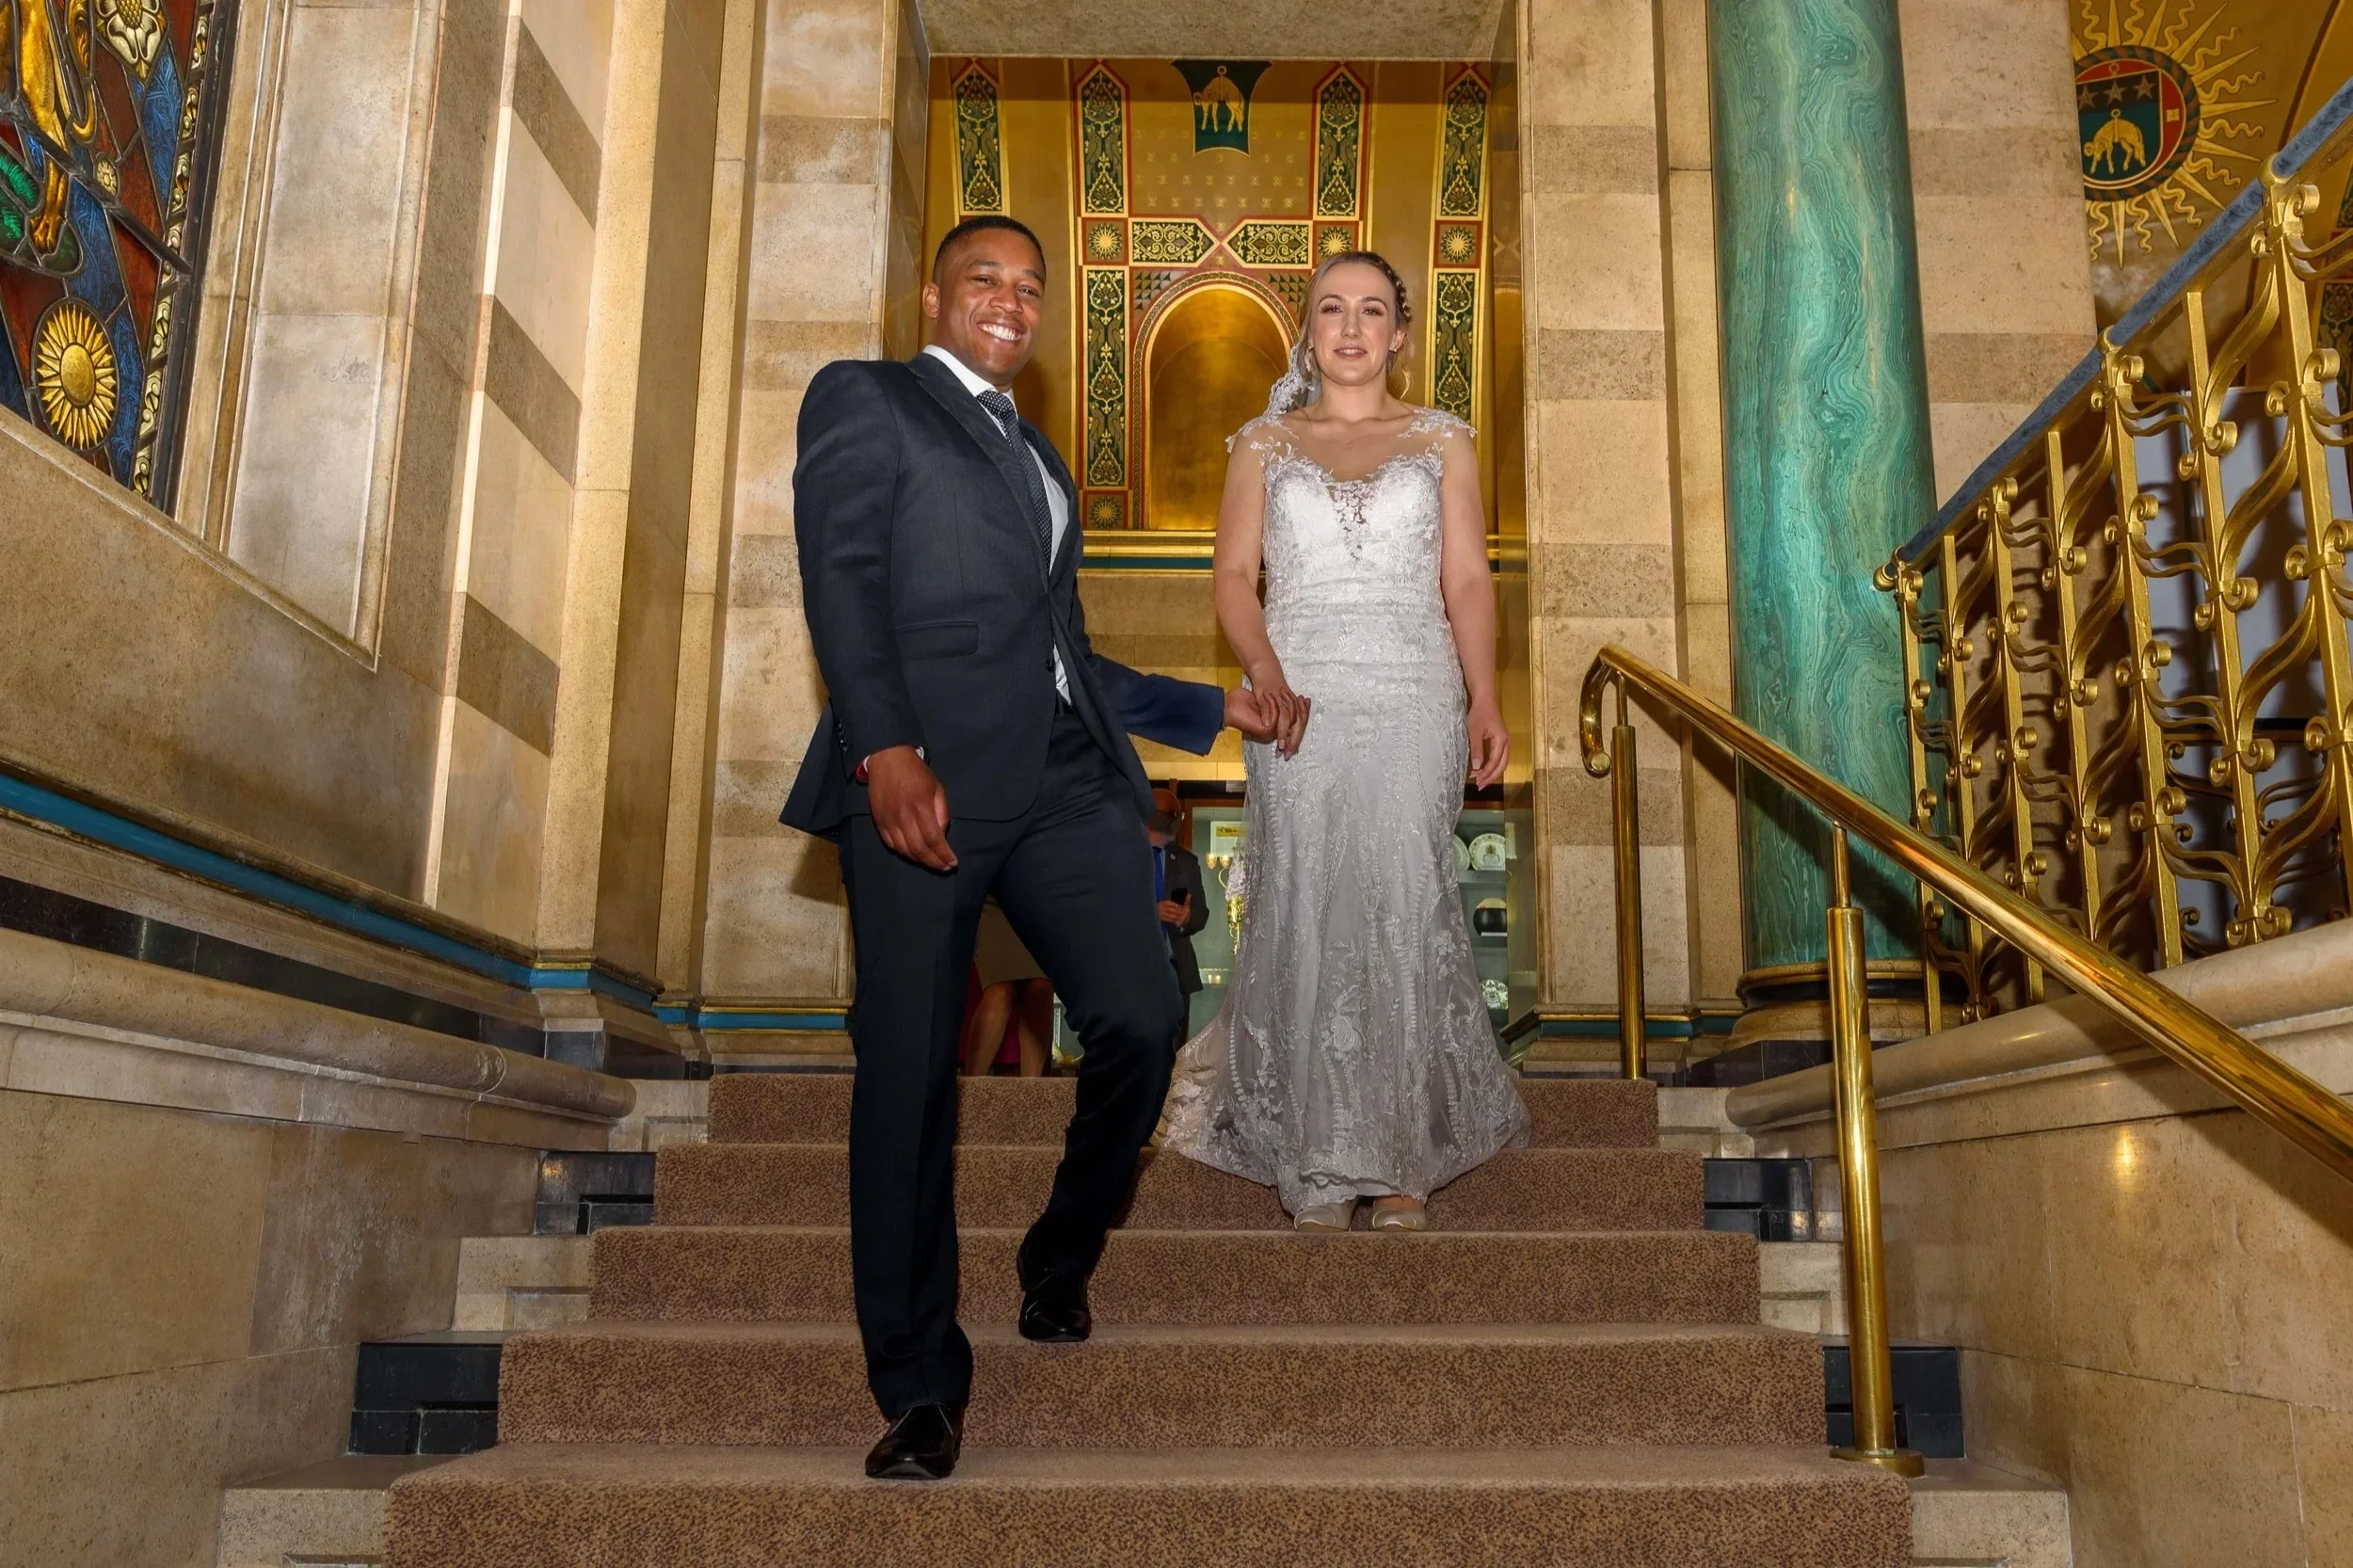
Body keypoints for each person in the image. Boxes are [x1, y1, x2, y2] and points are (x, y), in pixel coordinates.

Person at [779, 214, 1305, 1482]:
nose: (1010, 301)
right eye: (984, 280)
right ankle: (918, 1384)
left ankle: (1060, 1250)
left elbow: (1066, 654)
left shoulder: (1041, 456)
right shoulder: (867, 399)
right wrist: (882, 745)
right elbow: (840, 576)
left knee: (1139, 1012)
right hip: (924, 783)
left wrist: (1205, 708)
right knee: (909, 1075)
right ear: (934, 295)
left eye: (1029, 286)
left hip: (1065, 781)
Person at [1160, 250, 1529, 1233]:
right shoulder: (1261, 444)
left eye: (1372, 310)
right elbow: (1233, 576)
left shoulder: (1445, 441)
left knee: (1404, 896)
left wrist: (1483, 697)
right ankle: (1320, 1159)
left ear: (1400, 333)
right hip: (1299, 695)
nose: (1353, 327)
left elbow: (1465, 582)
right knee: (1310, 894)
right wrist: (1264, 668)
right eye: (1332, 309)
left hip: (1415, 691)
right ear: (1309, 331)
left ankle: (1400, 1157)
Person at [963, 899, 1052, 1078]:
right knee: (999, 993)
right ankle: (970, 1089)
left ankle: (1031, 1093)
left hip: (1040, 903)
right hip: (995, 903)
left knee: (1040, 990)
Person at [1147, 809, 1209, 1001]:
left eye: (1178, 816)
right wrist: (1151, 913)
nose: (1175, 821)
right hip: (1133, 971)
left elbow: (1201, 913)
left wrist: (1187, 918)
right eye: (1170, 814)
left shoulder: (1186, 861)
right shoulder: (1124, 856)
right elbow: (1109, 911)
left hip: (1176, 971)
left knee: (1177, 1031)